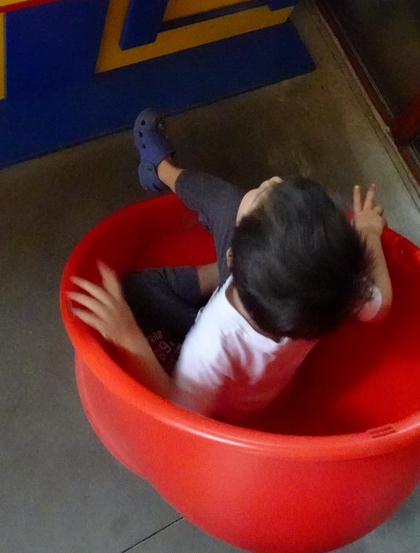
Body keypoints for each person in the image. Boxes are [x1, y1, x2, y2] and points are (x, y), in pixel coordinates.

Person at [68, 108, 393, 423]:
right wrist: (368, 233)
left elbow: (180, 414)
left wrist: (127, 335)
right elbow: (381, 306)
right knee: (228, 204)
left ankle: (161, 170)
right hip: (264, 327)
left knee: (137, 288)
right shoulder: (333, 285)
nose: (271, 181)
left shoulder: (211, 343)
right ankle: (162, 173)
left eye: (263, 193)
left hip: (221, 376)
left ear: (231, 258)